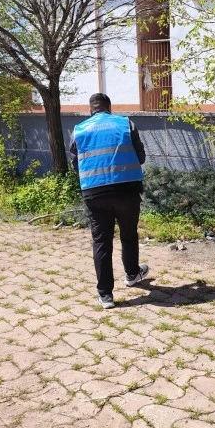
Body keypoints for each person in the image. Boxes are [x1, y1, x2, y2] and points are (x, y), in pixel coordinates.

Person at [70, 93, 149, 309]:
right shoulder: (126, 124)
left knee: (101, 242)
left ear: (91, 110)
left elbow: (76, 164)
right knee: (129, 235)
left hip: (95, 193)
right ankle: (132, 274)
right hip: (127, 190)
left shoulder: (79, 130)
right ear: (109, 108)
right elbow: (141, 157)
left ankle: (105, 295)